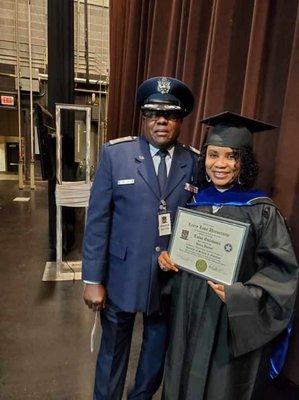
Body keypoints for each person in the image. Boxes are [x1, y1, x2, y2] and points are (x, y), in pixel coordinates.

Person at [158, 111, 298, 400]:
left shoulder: (261, 210)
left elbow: (281, 273)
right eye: (213, 155)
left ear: (243, 162)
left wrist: (240, 295)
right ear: (204, 158)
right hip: (190, 314)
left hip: (228, 321)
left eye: (231, 156)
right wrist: (169, 261)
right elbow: (183, 257)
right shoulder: (195, 204)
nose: (220, 164)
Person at [82, 76, 200, 400]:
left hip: (167, 278)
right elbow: (97, 221)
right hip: (121, 273)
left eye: (170, 114)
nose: (161, 120)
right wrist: (92, 279)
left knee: (155, 353)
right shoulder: (116, 154)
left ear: (180, 120)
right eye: (152, 113)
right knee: (112, 352)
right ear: (143, 117)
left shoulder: (194, 162)